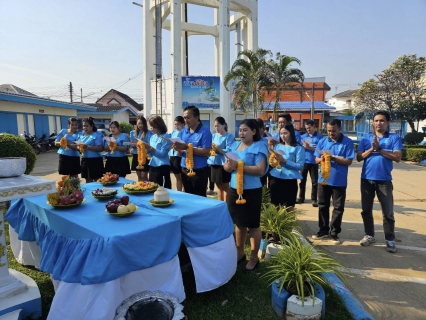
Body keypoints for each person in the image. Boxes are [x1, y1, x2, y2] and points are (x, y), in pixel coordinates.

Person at [224, 119, 268, 273]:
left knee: (253, 225)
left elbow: (260, 170)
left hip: (251, 191)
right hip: (234, 190)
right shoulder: (235, 146)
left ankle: (254, 257)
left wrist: (239, 166)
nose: (241, 133)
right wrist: (229, 166)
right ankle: (240, 252)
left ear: (254, 132)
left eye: (245, 130)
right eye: (240, 130)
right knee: (239, 224)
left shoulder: (259, 146)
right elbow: (226, 166)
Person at [356, 111, 403, 253]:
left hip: (384, 181)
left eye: (382, 121)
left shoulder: (394, 138)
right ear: (373, 123)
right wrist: (371, 148)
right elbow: (359, 157)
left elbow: (397, 157)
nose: (379, 123)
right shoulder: (366, 139)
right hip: (366, 180)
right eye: (376, 120)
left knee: (387, 212)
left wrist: (380, 149)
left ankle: (390, 239)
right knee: (366, 210)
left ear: (387, 123)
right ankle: (369, 235)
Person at [311, 119, 354, 244]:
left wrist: (334, 157)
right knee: (323, 205)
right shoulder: (322, 141)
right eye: (329, 131)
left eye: (333, 131)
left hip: (339, 180)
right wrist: (322, 158)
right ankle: (323, 230)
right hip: (323, 180)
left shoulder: (347, 142)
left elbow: (348, 161)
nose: (331, 133)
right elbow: (316, 159)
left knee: (338, 207)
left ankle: (334, 232)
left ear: (340, 129)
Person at [173, 106, 212, 197]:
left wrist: (187, 147)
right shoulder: (183, 132)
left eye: (188, 117)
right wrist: (179, 149)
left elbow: (206, 151)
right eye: (185, 118)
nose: (186, 120)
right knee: (187, 196)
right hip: (184, 169)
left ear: (197, 117)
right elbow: (183, 152)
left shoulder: (205, 131)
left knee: (199, 197)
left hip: (199, 171)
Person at [269, 124, 305, 209]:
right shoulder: (278, 146)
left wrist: (285, 161)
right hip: (276, 177)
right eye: (281, 133)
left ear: (291, 133)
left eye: (285, 133)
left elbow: (300, 166)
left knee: (289, 207)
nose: (283, 136)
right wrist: (271, 155)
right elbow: (274, 161)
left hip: (290, 180)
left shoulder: (298, 148)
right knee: (275, 205)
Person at [207, 116, 235, 201]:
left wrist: (220, 150)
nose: (216, 128)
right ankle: (220, 204)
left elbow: (230, 150)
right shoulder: (214, 136)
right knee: (218, 186)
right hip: (214, 163)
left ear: (224, 125)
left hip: (224, 164)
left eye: (218, 125)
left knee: (225, 186)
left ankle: (227, 205)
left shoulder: (229, 136)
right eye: (215, 126)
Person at [297, 120, 323, 207]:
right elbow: (299, 149)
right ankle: (301, 197)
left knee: (315, 182)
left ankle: (314, 199)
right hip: (304, 161)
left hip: (314, 162)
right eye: (306, 128)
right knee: (302, 181)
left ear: (314, 126)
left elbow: (320, 151)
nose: (308, 130)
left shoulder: (319, 137)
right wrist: (303, 147)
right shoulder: (303, 137)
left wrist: (310, 148)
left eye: (309, 128)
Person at [147, 116, 172, 189]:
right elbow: (151, 154)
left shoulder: (166, 136)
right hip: (152, 166)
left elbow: (162, 154)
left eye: (153, 126)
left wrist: (151, 148)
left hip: (162, 167)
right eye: (150, 126)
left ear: (159, 126)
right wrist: (146, 149)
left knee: (163, 189)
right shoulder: (152, 137)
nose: (151, 128)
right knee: (151, 188)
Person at [79, 117, 104, 183]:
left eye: (87, 126)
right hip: (85, 160)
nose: (85, 128)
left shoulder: (97, 134)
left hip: (95, 161)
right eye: (84, 126)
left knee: (97, 181)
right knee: (88, 181)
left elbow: (100, 148)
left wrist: (87, 147)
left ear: (92, 126)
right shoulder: (81, 135)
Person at [130, 116, 153, 181]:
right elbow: (131, 144)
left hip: (144, 155)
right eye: (139, 123)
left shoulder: (149, 133)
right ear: (136, 124)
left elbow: (150, 144)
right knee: (139, 175)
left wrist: (141, 144)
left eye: (142, 123)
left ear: (145, 124)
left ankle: (148, 187)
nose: (140, 125)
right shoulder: (133, 132)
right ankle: (140, 188)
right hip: (136, 154)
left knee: (143, 176)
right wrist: (133, 145)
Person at [169, 116, 185, 191]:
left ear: (183, 124)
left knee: (181, 176)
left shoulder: (184, 132)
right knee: (176, 176)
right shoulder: (173, 132)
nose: (176, 126)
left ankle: (182, 192)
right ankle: (179, 191)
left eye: (178, 124)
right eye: (175, 124)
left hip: (179, 155)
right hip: (172, 155)